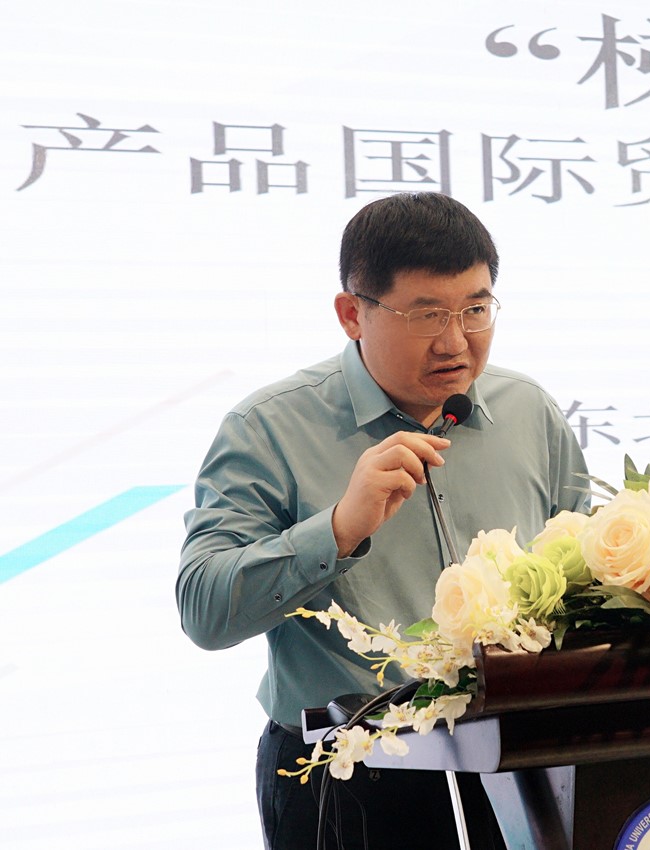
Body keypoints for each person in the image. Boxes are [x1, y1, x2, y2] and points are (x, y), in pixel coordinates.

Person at [177, 192, 589, 849]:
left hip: (521, 758)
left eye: (475, 309)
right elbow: (205, 610)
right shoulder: (268, 428)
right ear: (352, 314)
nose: (455, 341)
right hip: (349, 776)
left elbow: (586, 575)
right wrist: (338, 529)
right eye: (427, 315)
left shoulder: (528, 410)